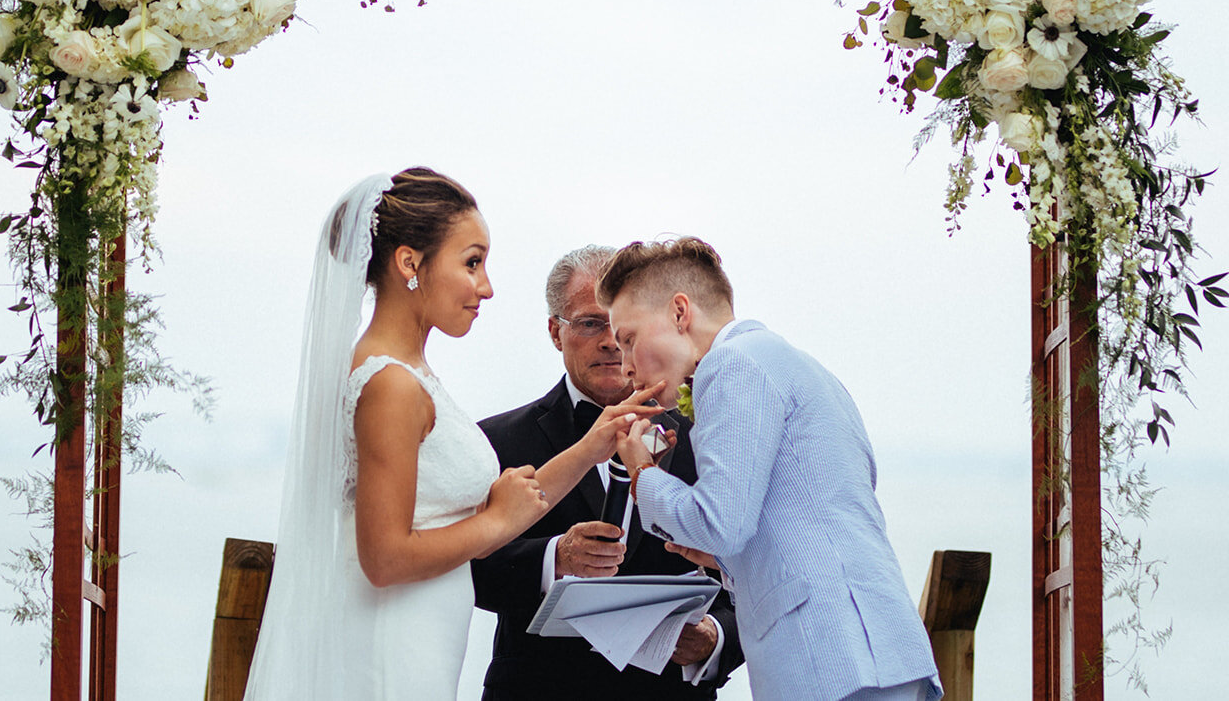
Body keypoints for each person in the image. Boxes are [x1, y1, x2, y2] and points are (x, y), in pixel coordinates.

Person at [244, 170, 664, 700]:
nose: (486, 286)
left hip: (425, 634)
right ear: (410, 264)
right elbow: (385, 558)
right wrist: (496, 524)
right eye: (472, 262)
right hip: (391, 642)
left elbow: (496, 502)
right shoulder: (391, 384)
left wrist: (590, 447)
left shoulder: (409, 373)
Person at [602, 238, 942, 701]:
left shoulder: (731, 363)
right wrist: (721, 560)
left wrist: (642, 473)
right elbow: (820, 509)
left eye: (628, 340)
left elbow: (720, 523)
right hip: (878, 651)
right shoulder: (806, 368)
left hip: (831, 658)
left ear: (680, 312)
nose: (624, 367)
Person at [472, 245, 742, 700]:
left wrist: (715, 638)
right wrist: (553, 558)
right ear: (556, 332)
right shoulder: (495, 441)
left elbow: (746, 559)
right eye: (591, 323)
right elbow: (465, 571)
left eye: (622, 329)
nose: (611, 342)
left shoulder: (707, 436)